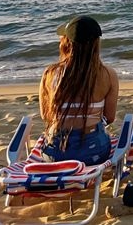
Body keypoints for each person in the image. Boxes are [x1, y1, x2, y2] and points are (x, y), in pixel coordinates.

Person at [39, 15, 119, 164]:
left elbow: (46, 116)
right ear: (96, 44)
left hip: (55, 155)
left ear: (67, 42)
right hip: (93, 153)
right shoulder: (108, 75)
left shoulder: (50, 74)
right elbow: (109, 118)